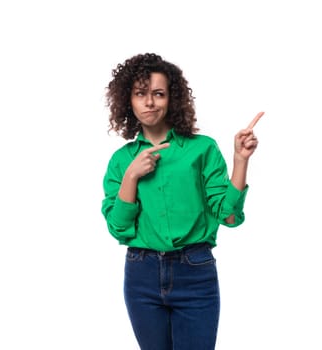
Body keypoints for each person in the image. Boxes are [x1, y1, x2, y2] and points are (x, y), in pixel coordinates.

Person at [101, 53, 263, 350]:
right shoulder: (121, 161)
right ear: (128, 100)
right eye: (140, 94)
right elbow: (119, 229)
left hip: (195, 272)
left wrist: (240, 161)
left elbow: (228, 216)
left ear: (171, 99)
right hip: (141, 275)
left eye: (158, 94)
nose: (149, 102)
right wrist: (131, 177)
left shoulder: (202, 149)